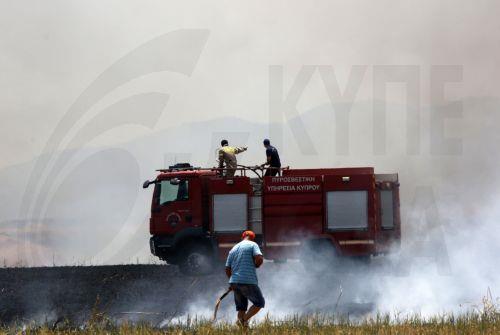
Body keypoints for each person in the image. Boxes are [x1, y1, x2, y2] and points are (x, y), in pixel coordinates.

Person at [225, 230, 265, 327]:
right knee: (259, 303)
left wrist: (232, 282)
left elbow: (227, 268)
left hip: (234, 282)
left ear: (243, 237)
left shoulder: (233, 249)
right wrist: (256, 265)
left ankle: (243, 331)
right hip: (247, 281)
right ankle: (242, 320)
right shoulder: (253, 244)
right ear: (252, 238)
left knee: (241, 308)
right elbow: (259, 258)